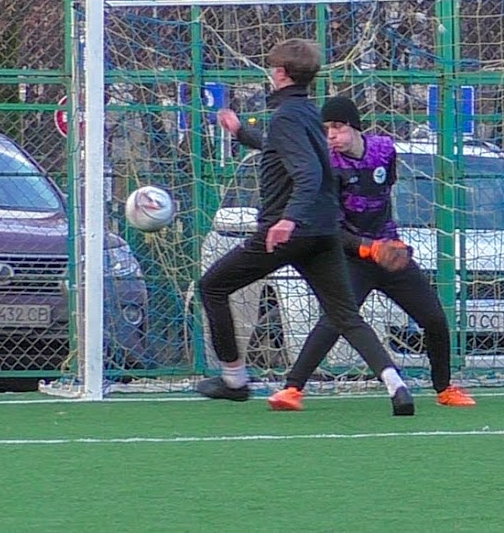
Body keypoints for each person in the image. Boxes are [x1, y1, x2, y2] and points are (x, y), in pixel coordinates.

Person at [198, 38, 415, 417]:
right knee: (345, 314)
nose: (270, 73)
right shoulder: (307, 113)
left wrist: (288, 218)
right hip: (325, 232)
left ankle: (234, 380)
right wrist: (240, 133)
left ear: (280, 74)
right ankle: (396, 385)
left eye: (271, 68)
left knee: (212, 285)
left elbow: (309, 171)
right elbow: (283, 153)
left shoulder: (286, 116)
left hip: (289, 233)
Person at [260, 95, 476, 410]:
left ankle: (444, 388)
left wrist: (390, 244)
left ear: (356, 127)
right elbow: (333, 226)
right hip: (351, 256)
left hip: (388, 251)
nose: (330, 135)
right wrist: (367, 247)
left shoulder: (384, 150)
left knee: (434, 319)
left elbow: (384, 194)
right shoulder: (327, 165)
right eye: (325, 130)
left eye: (337, 127)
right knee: (335, 320)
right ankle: (292, 389)